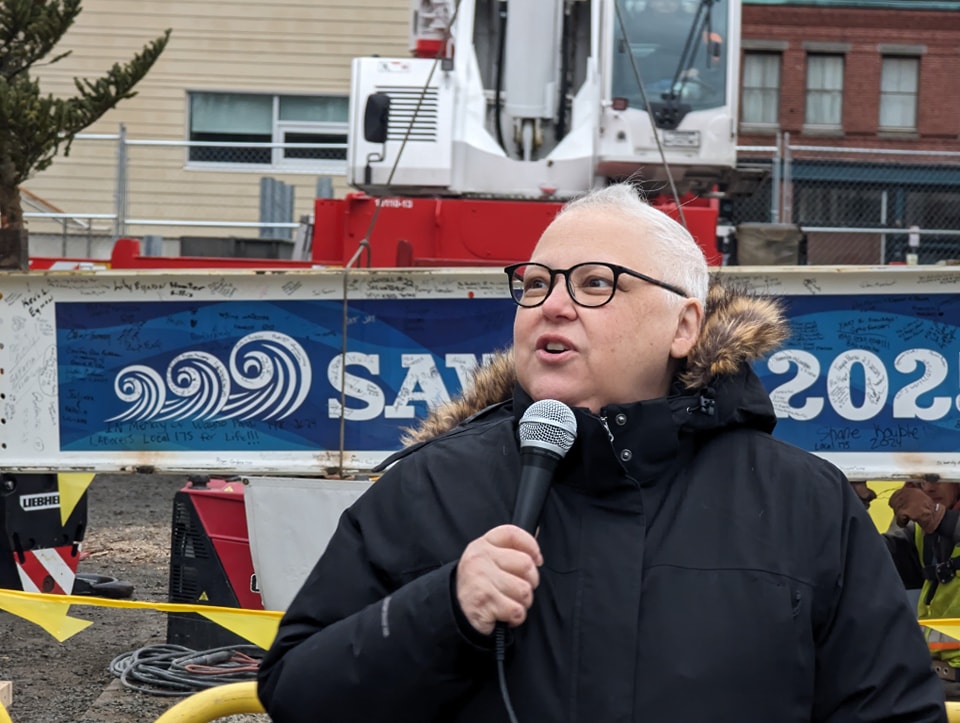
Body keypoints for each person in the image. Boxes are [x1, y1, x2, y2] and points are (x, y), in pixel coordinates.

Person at [257, 183, 946, 721]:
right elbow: (297, 693)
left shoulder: (805, 505)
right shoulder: (430, 486)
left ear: (684, 325)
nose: (553, 305)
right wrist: (443, 609)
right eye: (535, 282)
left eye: (594, 283)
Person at [884, 474, 960, 682]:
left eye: (937, 477)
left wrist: (936, 516)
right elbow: (875, 558)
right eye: (922, 481)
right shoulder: (923, 532)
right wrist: (854, 505)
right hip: (934, 679)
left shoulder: (941, 520)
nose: (928, 488)